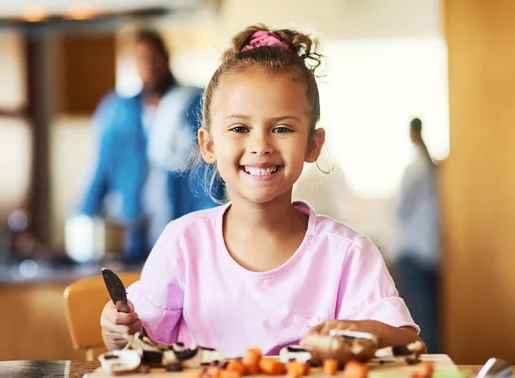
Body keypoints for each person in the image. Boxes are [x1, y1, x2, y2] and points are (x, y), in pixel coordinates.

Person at [100, 24, 424, 356]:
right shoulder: (182, 243)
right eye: (240, 128)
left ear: (313, 145)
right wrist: (117, 329)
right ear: (209, 144)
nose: (260, 145)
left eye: (281, 128)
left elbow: (411, 342)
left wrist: (361, 331)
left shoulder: (347, 254)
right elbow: (136, 341)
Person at [77, 28, 220, 262]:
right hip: (132, 232)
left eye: (155, 57)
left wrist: (209, 232)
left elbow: (211, 178)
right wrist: (82, 221)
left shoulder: (194, 105)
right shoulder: (117, 112)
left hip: (182, 228)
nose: (150, 65)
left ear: (166, 57)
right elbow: (100, 172)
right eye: (142, 59)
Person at [394, 117, 441, 353]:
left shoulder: (415, 168)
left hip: (413, 253)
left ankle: (427, 373)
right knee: (428, 317)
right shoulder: (431, 167)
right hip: (430, 253)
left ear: (412, 135)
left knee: (418, 322)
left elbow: (400, 208)